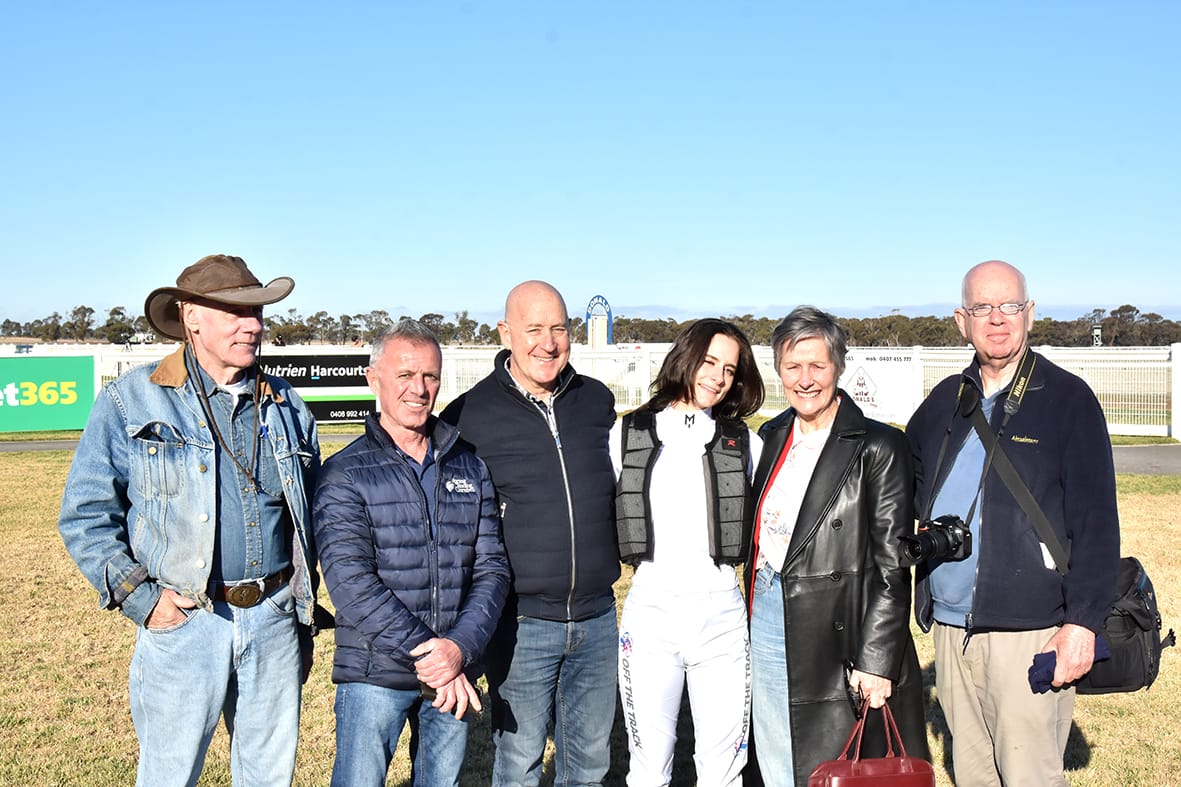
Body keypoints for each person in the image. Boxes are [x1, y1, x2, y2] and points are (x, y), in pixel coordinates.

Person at [57, 254, 320, 787]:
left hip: (272, 617)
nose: (254, 326)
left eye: (258, 313)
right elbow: (85, 514)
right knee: (169, 776)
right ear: (192, 316)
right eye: (236, 313)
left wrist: (298, 602)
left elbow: (312, 511)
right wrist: (142, 599)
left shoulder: (286, 405)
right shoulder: (131, 398)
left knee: (269, 777)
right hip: (187, 619)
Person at [906, 260, 1120, 786]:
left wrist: (1082, 625)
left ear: (1029, 314)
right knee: (974, 776)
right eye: (982, 307)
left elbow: (1097, 524)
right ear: (962, 320)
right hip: (952, 631)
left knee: (1028, 776)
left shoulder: (1068, 401)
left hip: (1032, 631)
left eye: (1009, 306)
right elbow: (901, 484)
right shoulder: (943, 404)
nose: (996, 319)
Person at [313, 319, 510, 787]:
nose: (418, 389)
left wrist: (459, 648)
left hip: (453, 667)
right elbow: (352, 585)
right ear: (373, 377)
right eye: (404, 375)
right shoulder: (345, 472)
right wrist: (433, 658)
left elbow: (492, 568)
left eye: (430, 377)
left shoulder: (468, 463)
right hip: (374, 672)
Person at [440, 280, 619, 787]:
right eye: (533, 329)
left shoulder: (596, 402)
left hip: (598, 617)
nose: (548, 342)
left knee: (588, 765)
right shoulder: (468, 416)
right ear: (506, 333)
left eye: (558, 328)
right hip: (521, 624)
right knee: (518, 763)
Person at [746, 306, 929, 787]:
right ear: (778, 370)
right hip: (768, 607)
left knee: (838, 763)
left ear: (839, 366)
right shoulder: (772, 435)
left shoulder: (878, 447)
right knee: (776, 745)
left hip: (841, 626)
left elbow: (893, 566)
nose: (805, 379)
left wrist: (877, 658)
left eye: (817, 365)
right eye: (793, 366)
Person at [612, 318, 764, 786]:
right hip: (650, 615)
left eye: (729, 369)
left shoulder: (747, 444)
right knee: (648, 767)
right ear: (686, 356)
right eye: (709, 361)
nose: (717, 377)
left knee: (723, 770)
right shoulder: (623, 435)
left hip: (721, 618)